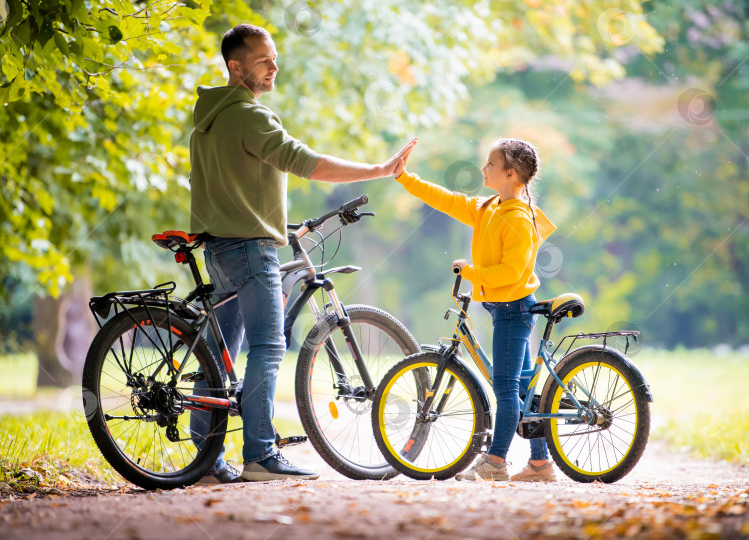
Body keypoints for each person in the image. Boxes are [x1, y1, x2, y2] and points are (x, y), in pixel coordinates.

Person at [188, 23, 416, 483]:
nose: (275, 67)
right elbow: (305, 162)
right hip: (251, 251)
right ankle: (261, 455)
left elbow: (236, 189)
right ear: (236, 67)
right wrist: (378, 168)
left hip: (218, 248)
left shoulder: (208, 122)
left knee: (217, 353)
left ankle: (206, 461)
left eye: (274, 58)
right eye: (263, 60)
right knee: (269, 347)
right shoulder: (250, 116)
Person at [394, 138, 558, 482]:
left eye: (491, 165)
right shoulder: (490, 207)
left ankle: (495, 463)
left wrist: (469, 273)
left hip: (514, 309)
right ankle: (541, 465)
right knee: (524, 390)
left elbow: (511, 272)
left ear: (510, 174)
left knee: (506, 389)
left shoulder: (519, 219)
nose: (483, 170)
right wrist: (405, 178)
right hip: (504, 308)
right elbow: (447, 201)